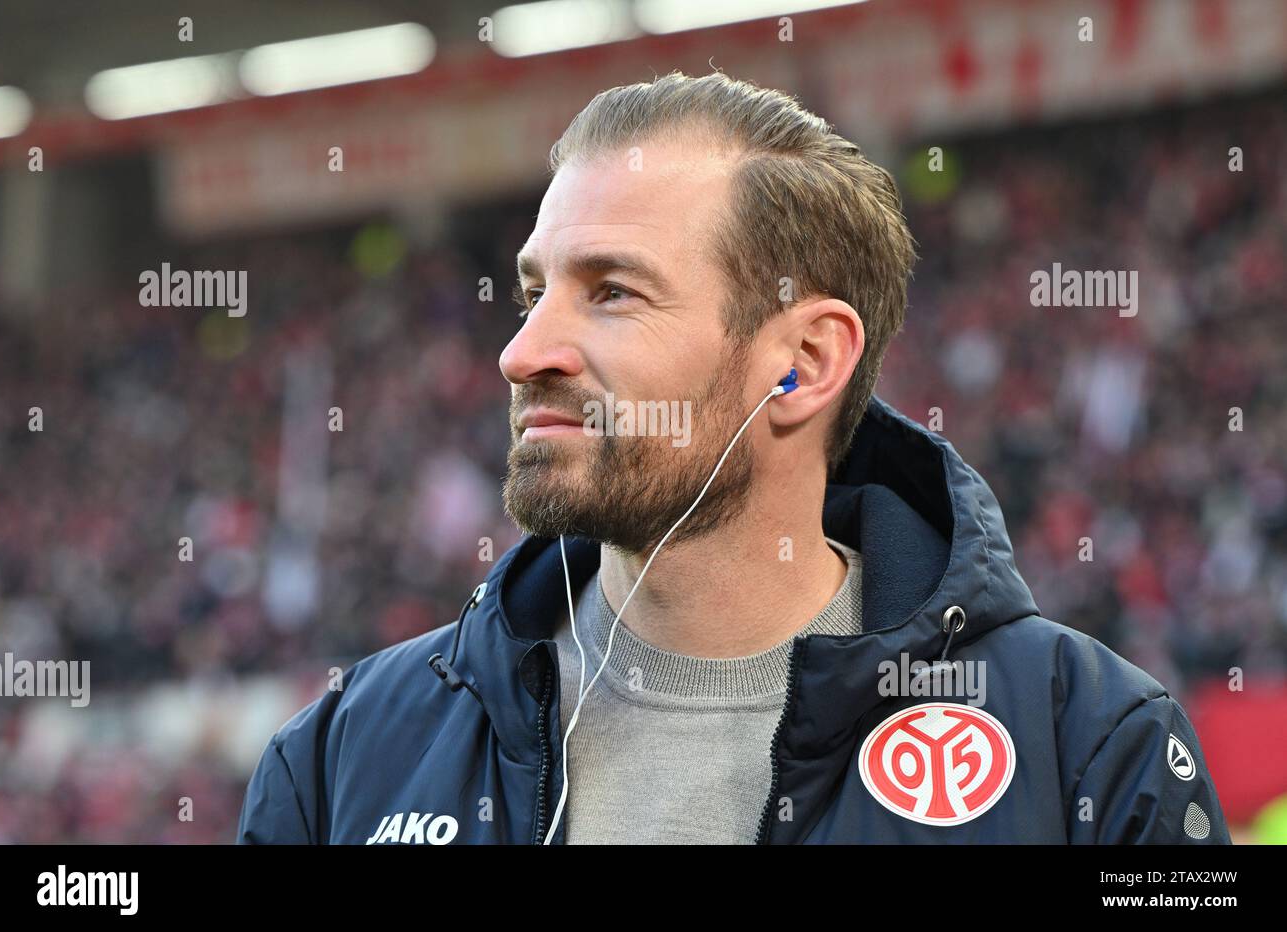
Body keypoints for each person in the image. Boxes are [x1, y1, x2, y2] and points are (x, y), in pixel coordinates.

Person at [237, 71, 1230, 844]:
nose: (521, 349)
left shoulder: (1089, 749)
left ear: (801, 362)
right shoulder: (341, 756)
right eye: (532, 290)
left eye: (612, 290)